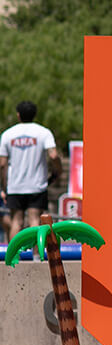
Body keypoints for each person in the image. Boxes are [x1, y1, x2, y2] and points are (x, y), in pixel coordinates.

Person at [0, 101, 60, 242]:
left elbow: (2, 164)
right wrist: (58, 170)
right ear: (34, 115)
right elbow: (54, 155)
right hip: (37, 185)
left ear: (18, 115)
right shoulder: (43, 132)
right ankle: (36, 258)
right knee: (35, 221)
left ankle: (13, 258)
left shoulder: (8, 134)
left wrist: (4, 188)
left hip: (15, 186)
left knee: (16, 221)